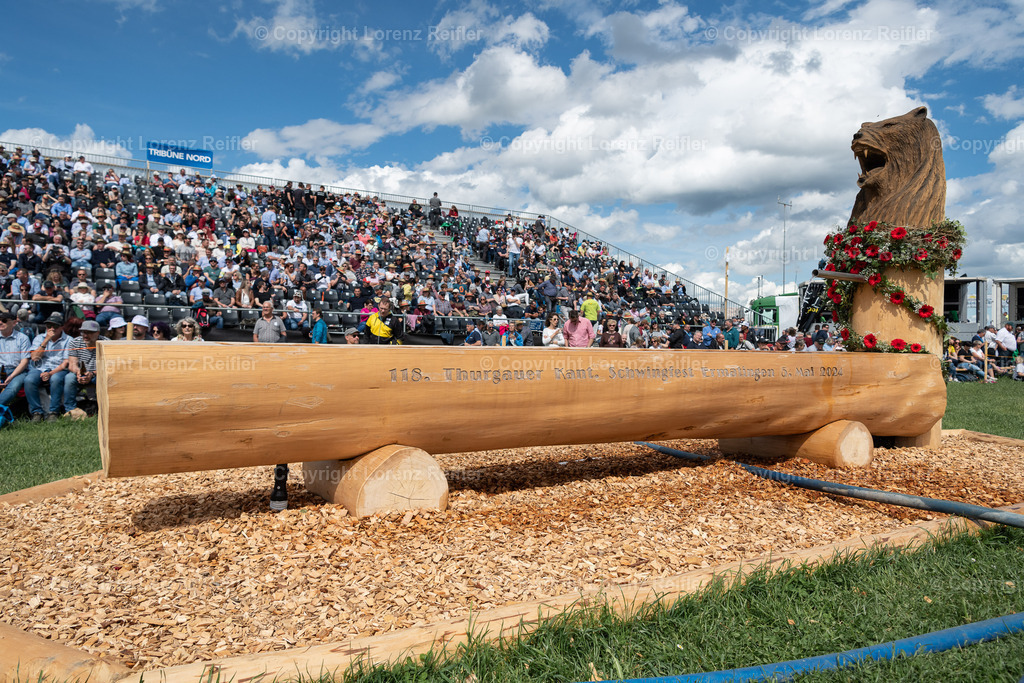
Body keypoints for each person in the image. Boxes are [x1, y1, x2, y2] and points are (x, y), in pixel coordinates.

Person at [24, 312, 74, 421]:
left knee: (56, 379)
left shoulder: (69, 340)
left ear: (62, 327)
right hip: (40, 368)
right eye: (48, 326)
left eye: (55, 326)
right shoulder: (39, 338)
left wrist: (50, 373)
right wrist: (46, 340)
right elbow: (34, 358)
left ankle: (53, 412)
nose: (51, 329)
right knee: (29, 380)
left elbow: (66, 362)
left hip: (58, 369)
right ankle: (37, 412)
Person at [66, 320, 107, 412]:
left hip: (99, 373)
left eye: (89, 332)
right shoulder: (75, 342)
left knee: (105, 379)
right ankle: (70, 410)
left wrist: (92, 374)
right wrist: (79, 373)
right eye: (83, 332)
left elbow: (109, 367)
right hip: (81, 372)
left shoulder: (106, 343)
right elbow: (72, 364)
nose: (85, 335)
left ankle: (103, 409)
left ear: (98, 333)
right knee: (69, 378)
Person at [0, 310, 31, 410]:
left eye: (4, 320)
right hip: (1, 370)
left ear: (14, 323)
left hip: (18, 372)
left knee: (13, 387)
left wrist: (11, 376)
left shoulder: (23, 338)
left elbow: (25, 361)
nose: (0, 322)